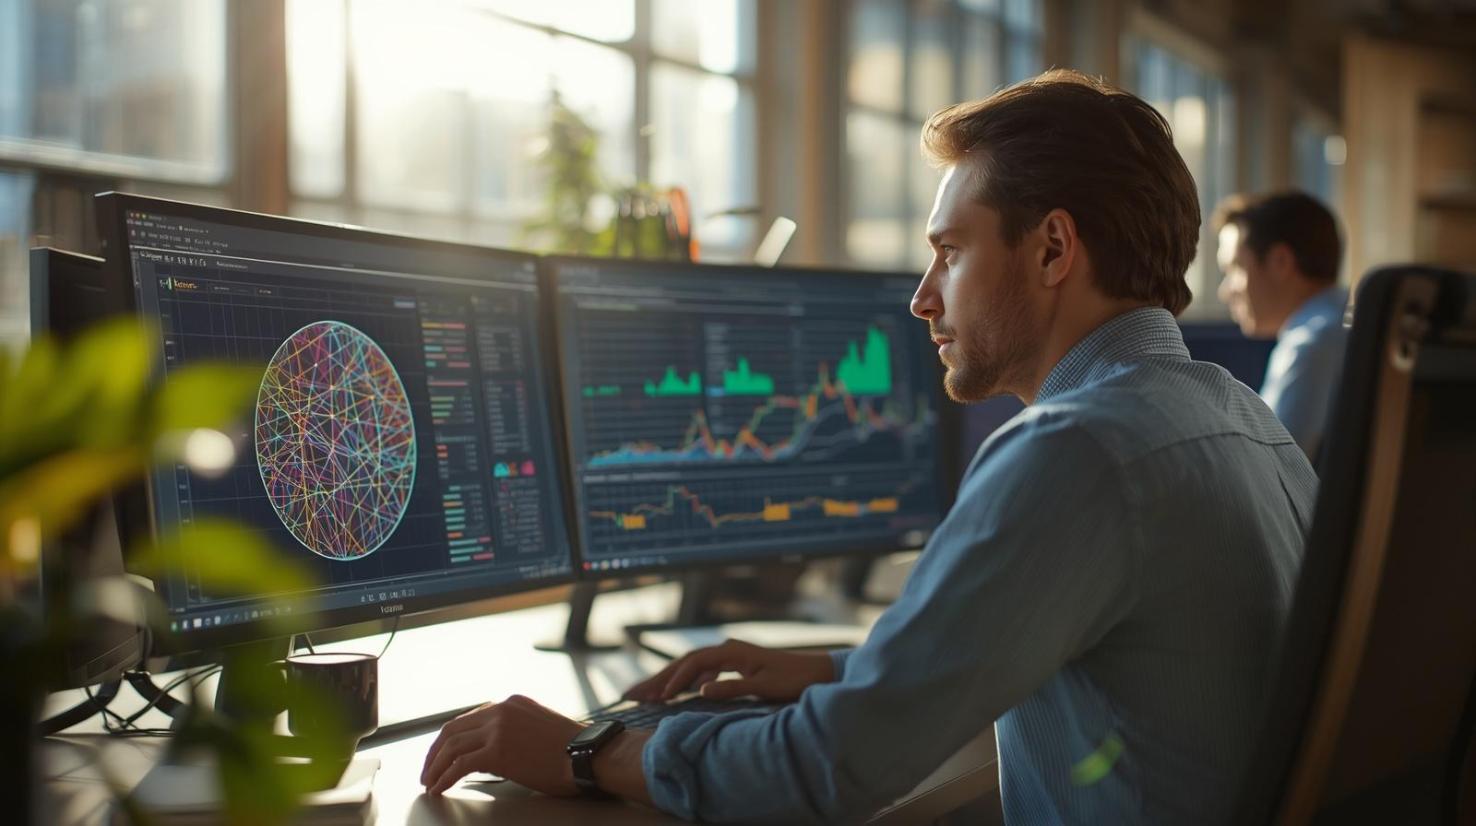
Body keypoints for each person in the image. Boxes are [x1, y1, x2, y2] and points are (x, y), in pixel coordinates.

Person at [419, 70, 1316, 824]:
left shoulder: (1078, 450)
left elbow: (827, 771)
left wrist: (591, 747)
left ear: (1052, 250)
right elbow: (1107, 646)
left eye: (951, 253)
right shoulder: (1246, 422)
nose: (924, 297)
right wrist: (839, 671)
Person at [1214, 191, 1347, 460]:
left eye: (1235, 268)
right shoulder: (1346, 327)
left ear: (1281, 262)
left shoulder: (1309, 346)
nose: (1224, 291)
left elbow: (1270, 470)